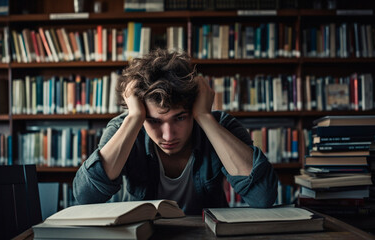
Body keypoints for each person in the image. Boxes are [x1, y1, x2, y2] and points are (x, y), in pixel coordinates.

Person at [73, 49, 278, 214]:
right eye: (154, 120)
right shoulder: (124, 128)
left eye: (179, 117)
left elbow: (263, 196)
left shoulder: (220, 125)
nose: (168, 136)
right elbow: (85, 197)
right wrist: (134, 118)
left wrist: (205, 118)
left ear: (194, 108)